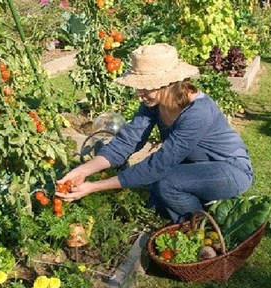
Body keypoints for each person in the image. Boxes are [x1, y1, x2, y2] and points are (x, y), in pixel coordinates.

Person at [56, 43, 253, 223]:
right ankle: (193, 219)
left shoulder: (198, 112)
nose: (138, 94)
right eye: (138, 87)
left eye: (145, 87)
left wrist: (94, 186)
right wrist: (83, 171)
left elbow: (160, 164)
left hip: (230, 171)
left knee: (166, 184)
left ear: (169, 83)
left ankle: (201, 229)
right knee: (153, 196)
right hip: (194, 168)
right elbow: (127, 142)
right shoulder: (154, 104)